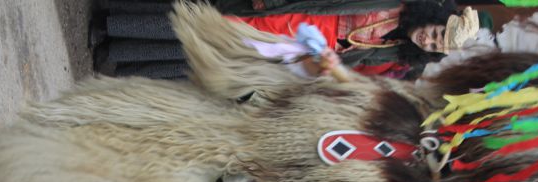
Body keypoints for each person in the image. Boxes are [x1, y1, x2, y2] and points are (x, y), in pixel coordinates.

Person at [95, 0, 479, 80]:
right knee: (205, 21)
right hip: (291, 15)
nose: (429, 39)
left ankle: (119, 51)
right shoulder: (392, 4)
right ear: (432, 17)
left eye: (433, 44)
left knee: (211, 54)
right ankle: (111, 22)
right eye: (435, 31)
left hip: (293, 52)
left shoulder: (395, 49)